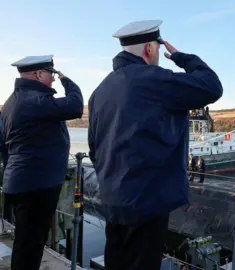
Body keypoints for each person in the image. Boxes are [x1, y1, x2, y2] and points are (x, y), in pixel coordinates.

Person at [87, 19, 223, 270]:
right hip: (147, 202)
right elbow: (212, 87)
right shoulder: (154, 80)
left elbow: (94, 148)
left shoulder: (100, 90)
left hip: (113, 199)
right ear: (150, 48)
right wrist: (183, 58)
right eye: (158, 49)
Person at [0, 55, 83, 270]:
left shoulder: (13, 102)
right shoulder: (35, 100)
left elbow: (2, 145)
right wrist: (67, 80)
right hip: (36, 185)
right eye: (51, 75)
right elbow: (75, 106)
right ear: (38, 74)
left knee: (26, 242)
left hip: (23, 182)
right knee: (31, 245)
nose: (53, 80)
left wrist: (15, 170)